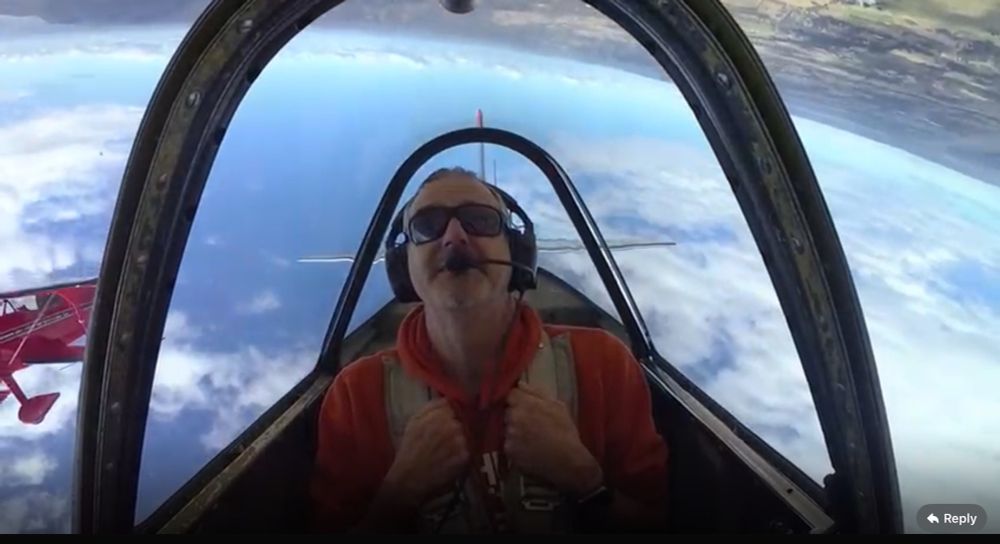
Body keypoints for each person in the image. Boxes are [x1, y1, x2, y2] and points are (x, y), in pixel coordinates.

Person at [310, 167, 669, 533]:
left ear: (517, 252)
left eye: (479, 220)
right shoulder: (355, 395)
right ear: (405, 267)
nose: (454, 237)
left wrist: (585, 479)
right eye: (427, 225)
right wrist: (398, 496)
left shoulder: (603, 365)